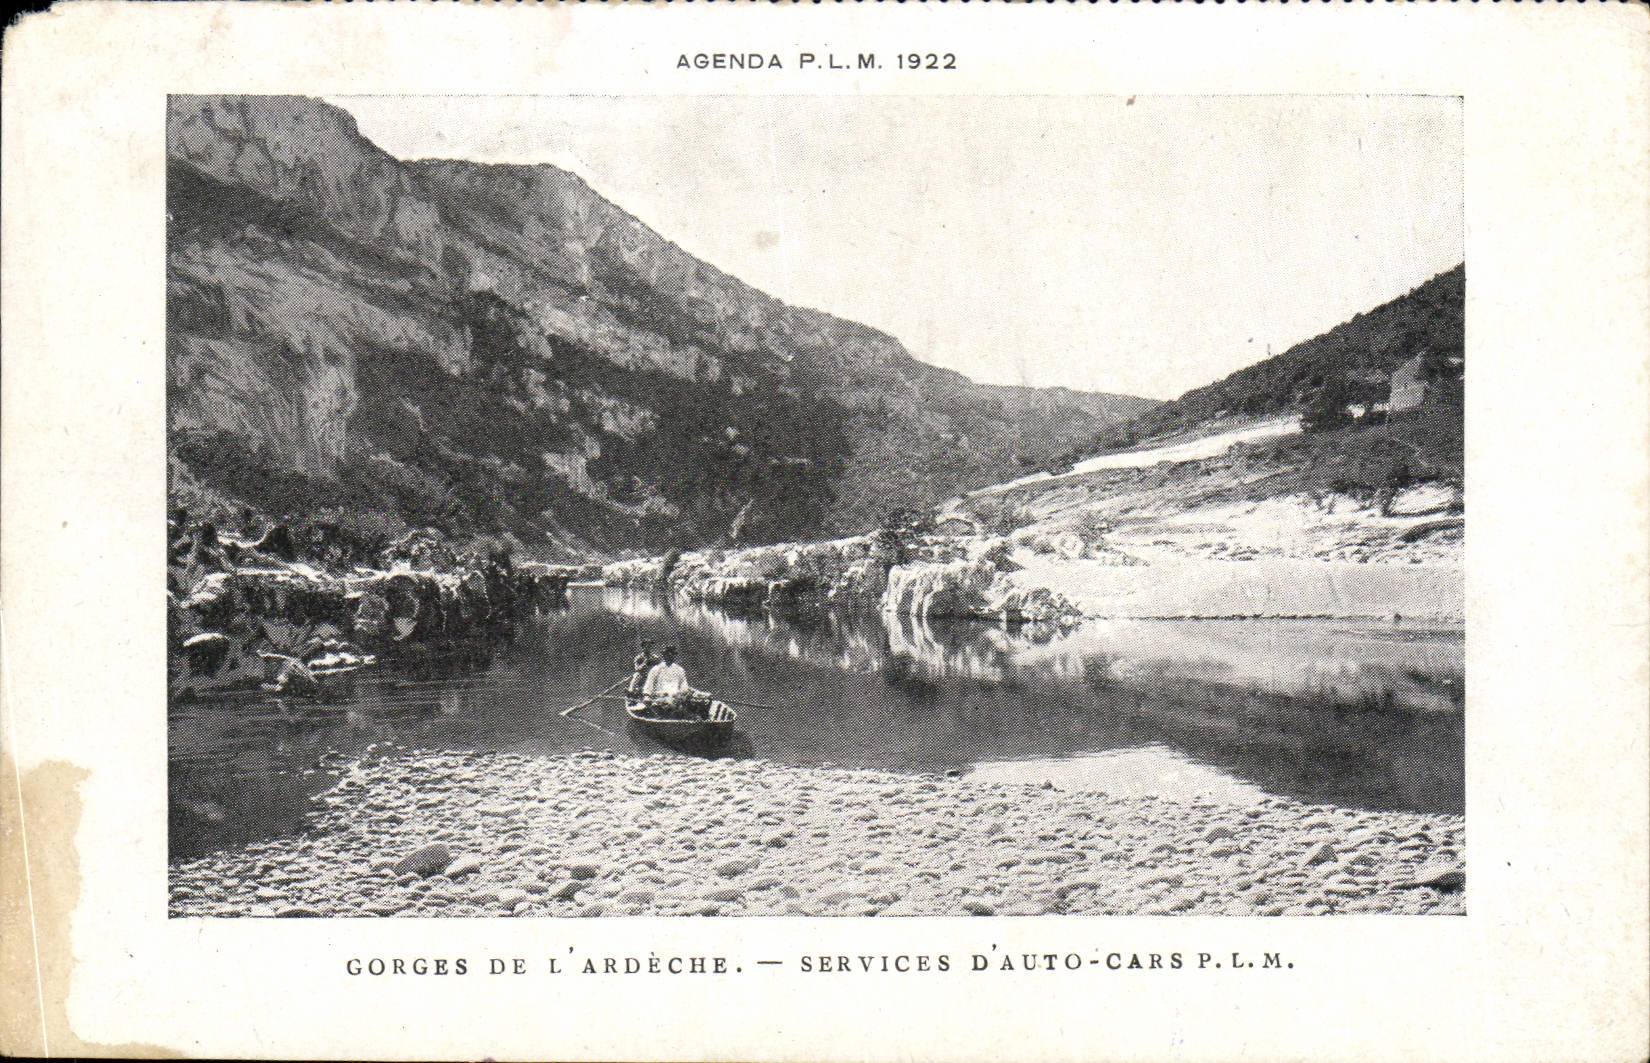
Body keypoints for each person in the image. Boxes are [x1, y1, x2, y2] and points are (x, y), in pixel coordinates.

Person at [642, 645, 708, 719]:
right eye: (668, 654)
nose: (670, 656)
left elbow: (684, 686)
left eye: (672, 654)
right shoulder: (656, 669)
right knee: (662, 705)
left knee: (699, 700)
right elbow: (649, 685)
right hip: (661, 697)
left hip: (676, 697)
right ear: (664, 655)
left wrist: (683, 693)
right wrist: (647, 696)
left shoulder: (680, 670)